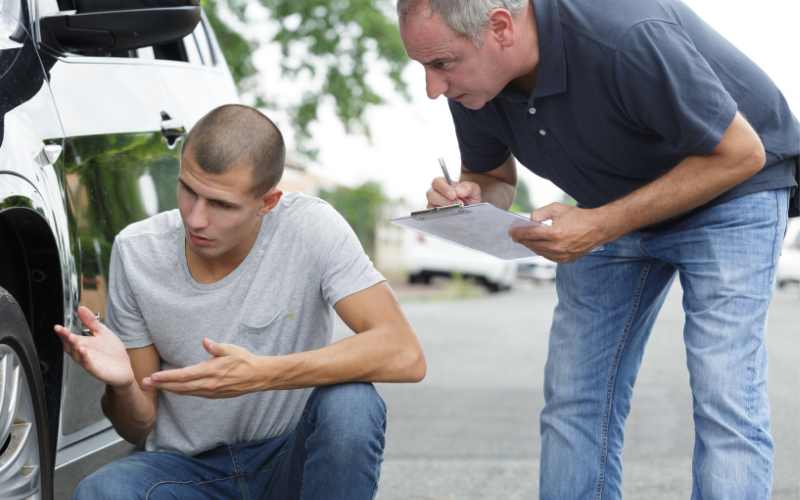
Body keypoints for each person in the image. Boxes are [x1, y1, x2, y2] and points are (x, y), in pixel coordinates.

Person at [397, 0, 799, 498]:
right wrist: (472, 195)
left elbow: (743, 152)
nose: (433, 89)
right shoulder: (476, 84)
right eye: (422, 67)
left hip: (730, 186)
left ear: (500, 27)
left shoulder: (623, 33)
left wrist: (600, 225)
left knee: (725, 394)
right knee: (575, 398)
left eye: (441, 65)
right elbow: (492, 175)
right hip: (605, 201)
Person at [54, 104, 426, 500]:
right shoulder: (136, 251)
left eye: (221, 204)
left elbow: (404, 353)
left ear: (268, 202)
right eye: (188, 190)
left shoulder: (310, 228)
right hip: (188, 471)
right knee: (103, 490)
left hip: (289, 458)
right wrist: (123, 385)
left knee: (352, 405)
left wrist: (264, 373)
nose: (196, 219)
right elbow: (137, 426)